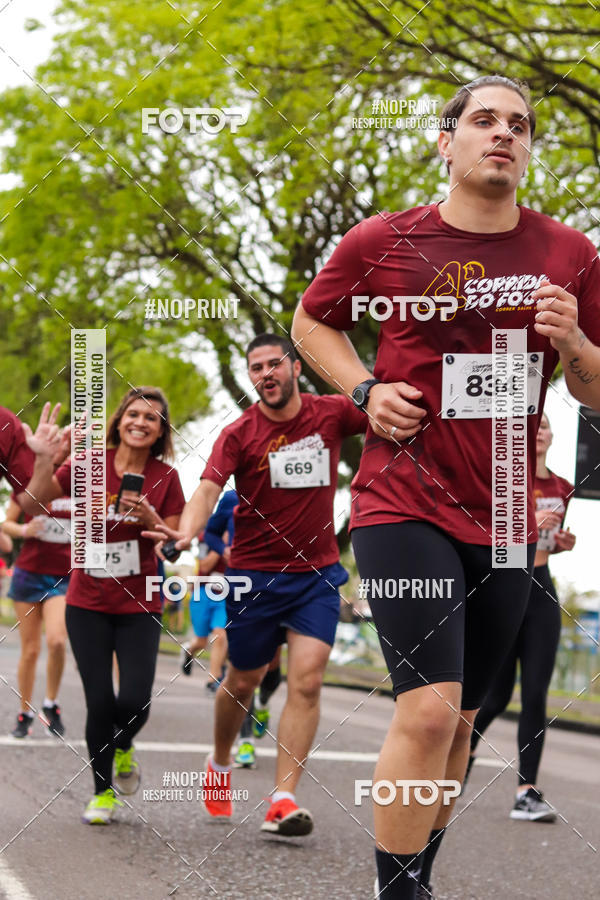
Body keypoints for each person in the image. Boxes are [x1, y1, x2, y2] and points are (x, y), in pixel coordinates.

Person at [292, 74, 600, 898]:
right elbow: (312, 321)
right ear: (446, 140)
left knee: (463, 719)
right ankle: (397, 891)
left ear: (528, 150)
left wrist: (574, 342)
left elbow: (595, 390)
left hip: (505, 511)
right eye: (484, 120)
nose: (504, 134)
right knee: (428, 708)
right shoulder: (384, 239)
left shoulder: (571, 253)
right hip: (403, 497)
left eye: (520, 125)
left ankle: (417, 875)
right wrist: (364, 390)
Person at [145, 333, 366, 835]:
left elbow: (384, 407)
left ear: (295, 367)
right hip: (253, 578)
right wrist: (186, 533)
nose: (266, 374)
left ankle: (282, 799)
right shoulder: (239, 433)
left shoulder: (332, 413)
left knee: (307, 681)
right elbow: (207, 490)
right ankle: (220, 763)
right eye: (256, 368)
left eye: (274, 364)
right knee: (242, 681)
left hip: (316, 575)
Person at [36, 387, 185, 825]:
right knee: (99, 701)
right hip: (87, 601)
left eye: (152, 418)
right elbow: (38, 499)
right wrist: (46, 459)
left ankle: (123, 745)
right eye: (134, 414)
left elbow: (172, 546)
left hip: (140, 603)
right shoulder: (87, 463)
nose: (141, 422)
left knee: (136, 700)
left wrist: (150, 519)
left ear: (160, 431)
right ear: (119, 420)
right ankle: (102, 793)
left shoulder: (167, 477)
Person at [467, 413, 575, 821]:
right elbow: (486, 531)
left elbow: (550, 540)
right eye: (535, 425)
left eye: (546, 426)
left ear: (552, 435)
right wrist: (530, 521)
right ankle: (462, 754)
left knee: (535, 694)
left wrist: (562, 542)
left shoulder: (563, 487)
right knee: (494, 697)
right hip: (505, 582)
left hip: (542, 590)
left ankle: (526, 793)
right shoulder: (505, 478)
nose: (540, 431)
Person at [2, 494, 71, 738]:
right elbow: (6, 523)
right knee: (30, 650)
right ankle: (25, 713)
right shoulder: (29, 483)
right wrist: (24, 530)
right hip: (29, 574)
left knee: (57, 641)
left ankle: (50, 704)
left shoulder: (82, 483)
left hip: (64, 576)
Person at [180, 490, 237, 690]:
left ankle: (214, 679)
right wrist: (221, 546)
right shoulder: (206, 537)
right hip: (203, 591)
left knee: (221, 635)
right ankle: (189, 650)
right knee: (202, 642)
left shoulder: (238, 534)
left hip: (225, 593)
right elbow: (204, 566)